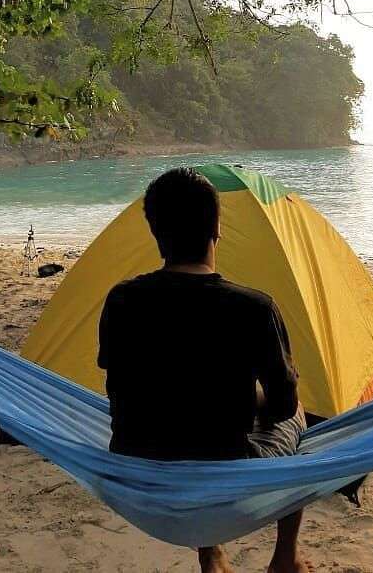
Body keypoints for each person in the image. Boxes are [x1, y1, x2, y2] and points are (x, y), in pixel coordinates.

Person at [97, 168, 311, 573]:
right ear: (217, 227)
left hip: (137, 469)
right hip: (223, 474)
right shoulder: (254, 309)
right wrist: (253, 398)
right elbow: (283, 407)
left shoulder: (121, 300)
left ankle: (210, 553)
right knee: (301, 413)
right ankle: (286, 556)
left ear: (155, 232)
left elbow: (123, 383)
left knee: (191, 417)